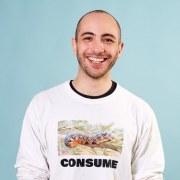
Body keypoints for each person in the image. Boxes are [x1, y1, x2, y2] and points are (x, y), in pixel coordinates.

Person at [15, 10, 164, 180]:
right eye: (88, 38)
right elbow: (31, 173)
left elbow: (149, 176)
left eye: (108, 39)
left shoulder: (140, 111)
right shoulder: (42, 105)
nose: (98, 48)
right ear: (75, 45)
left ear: (119, 48)